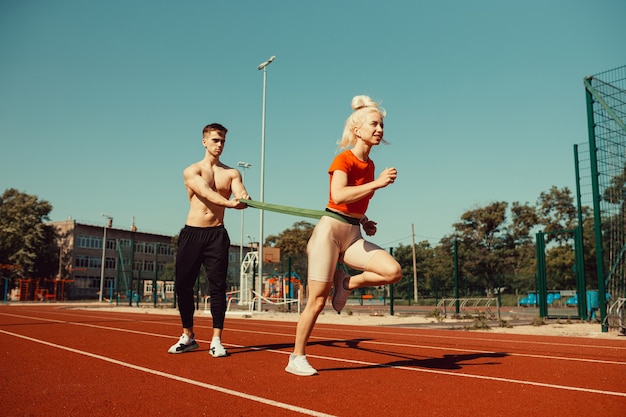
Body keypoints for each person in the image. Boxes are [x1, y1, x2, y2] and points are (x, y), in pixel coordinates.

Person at [285, 95, 402, 376]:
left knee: (393, 271)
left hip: (352, 233)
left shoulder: (371, 165)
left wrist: (365, 219)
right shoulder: (344, 159)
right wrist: (378, 184)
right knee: (317, 300)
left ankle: (348, 282)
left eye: (382, 125)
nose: (380, 129)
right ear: (357, 129)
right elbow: (337, 195)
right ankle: (296, 357)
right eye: (374, 124)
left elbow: (354, 201)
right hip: (329, 232)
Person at [168, 123, 249, 357]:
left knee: (218, 288)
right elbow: (205, 193)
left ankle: (216, 340)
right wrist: (230, 203)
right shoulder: (191, 171)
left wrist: (243, 198)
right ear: (204, 141)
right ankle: (188, 336)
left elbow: (239, 191)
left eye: (223, 141)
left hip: (217, 235)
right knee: (183, 286)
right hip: (192, 233)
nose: (220, 145)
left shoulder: (232, 172)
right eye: (215, 140)